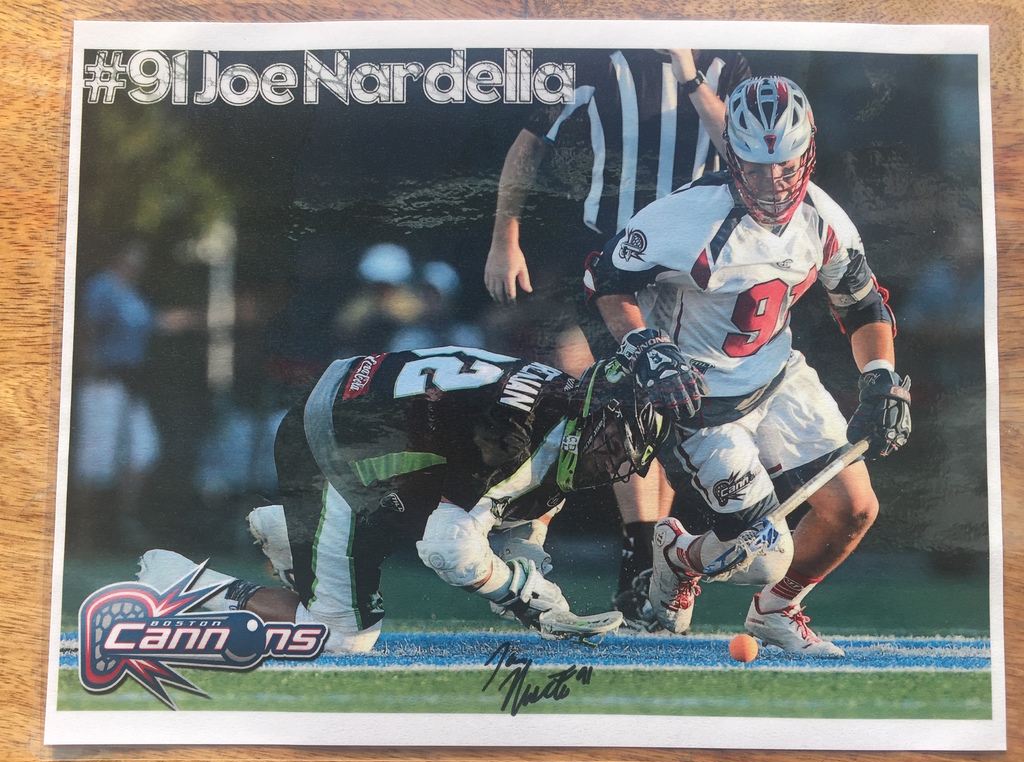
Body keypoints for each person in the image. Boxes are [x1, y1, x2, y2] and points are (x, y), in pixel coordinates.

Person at [587, 76, 912, 655]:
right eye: (757, 167)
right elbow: (605, 279)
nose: (773, 180)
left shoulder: (822, 217)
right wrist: (645, 346)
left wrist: (880, 376)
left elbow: (862, 304)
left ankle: (776, 611)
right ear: (732, 157)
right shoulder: (688, 215)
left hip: (779, 376)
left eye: (785, 164)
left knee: (855, 509)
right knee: (764, 555)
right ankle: (678, 555)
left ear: (807, 151)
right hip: (700, 399)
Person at [138, 346, 671, 652]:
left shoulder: (558, 401)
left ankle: (295, 532)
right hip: (336, 440)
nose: (614, 464)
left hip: (356, 409)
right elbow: (447, 549)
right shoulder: (512, 436)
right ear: (597, 410)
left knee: (422, 503)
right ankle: (186, 583)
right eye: (613, 444)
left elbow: (533, 489)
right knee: (342, 637)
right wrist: (523, 594)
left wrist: (528, 546)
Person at [484, 49, 750, 615]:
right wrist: (505, 236)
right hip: (614, 270)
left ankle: (647, 564)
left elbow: (742, 151)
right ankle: (633, 564)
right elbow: (529, 141)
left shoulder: (725, 65)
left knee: (668, 407)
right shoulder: (599, 60)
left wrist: (689, 75)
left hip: (693, 275)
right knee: (628, 400)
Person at [71, 240, 197, 548]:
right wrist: (90, 370)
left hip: (131, 384)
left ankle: (123, 521)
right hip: (104, 381)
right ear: (117, 256)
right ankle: (82, 531)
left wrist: (197, 317)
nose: (137, 265)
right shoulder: (101, 287)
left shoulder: (132, 294)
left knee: (143, 450)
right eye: (131, 257)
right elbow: (88, 329)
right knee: (95, 460)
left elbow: (155, 322)